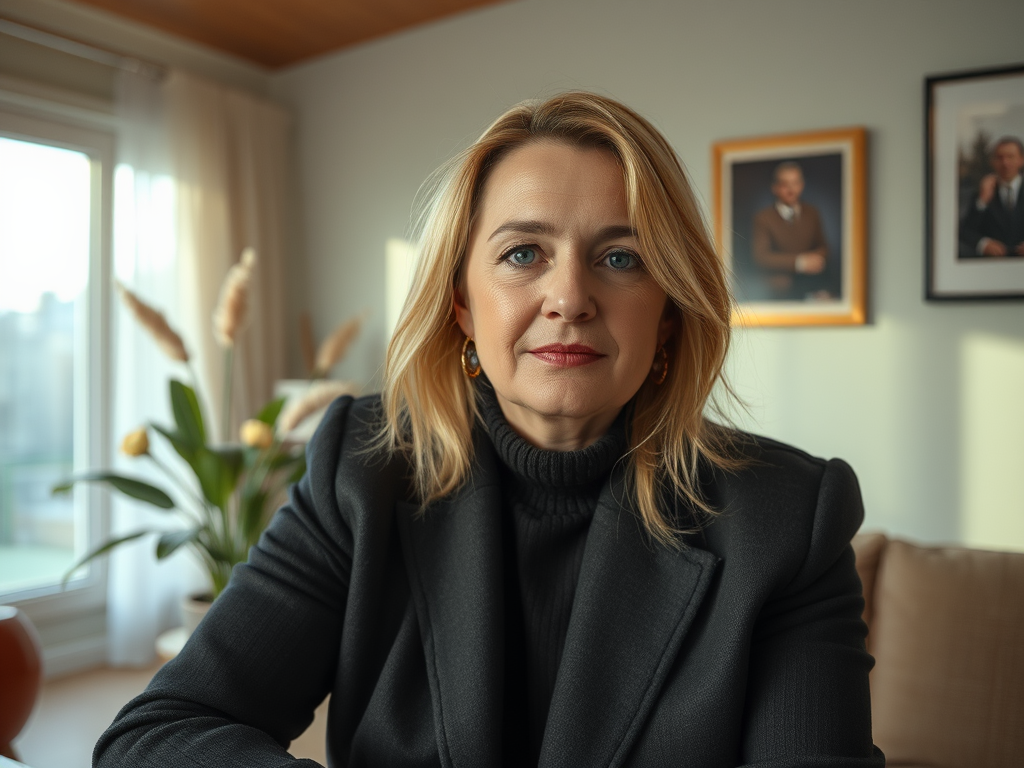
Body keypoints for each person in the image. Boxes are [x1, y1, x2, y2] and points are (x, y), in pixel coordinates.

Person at [94, 93, 882, 767]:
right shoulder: (364, 468)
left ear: (670, 314)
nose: (568, 297)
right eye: (523, 253)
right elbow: (158, 736)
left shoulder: (788, 519)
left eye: (620, 259)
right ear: (463, 307)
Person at [751, 161, 833, 300]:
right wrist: (799, 262)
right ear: (775, 188)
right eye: (784, 184)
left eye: (795, 183)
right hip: (778, 291)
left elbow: (823, 247)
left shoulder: (812, 212)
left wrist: (816, 258)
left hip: (812, 286)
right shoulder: (763, 218)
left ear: (802, 185)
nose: (791, 189)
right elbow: (761, 256)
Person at [959, 136, 1024, 258]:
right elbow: (964, 230)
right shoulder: (980, 192)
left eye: (1010, 157)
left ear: (1021, 160)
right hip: (990, 267)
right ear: (993, 162)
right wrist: (983, 244)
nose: (1005, 163)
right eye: (1000, 158)